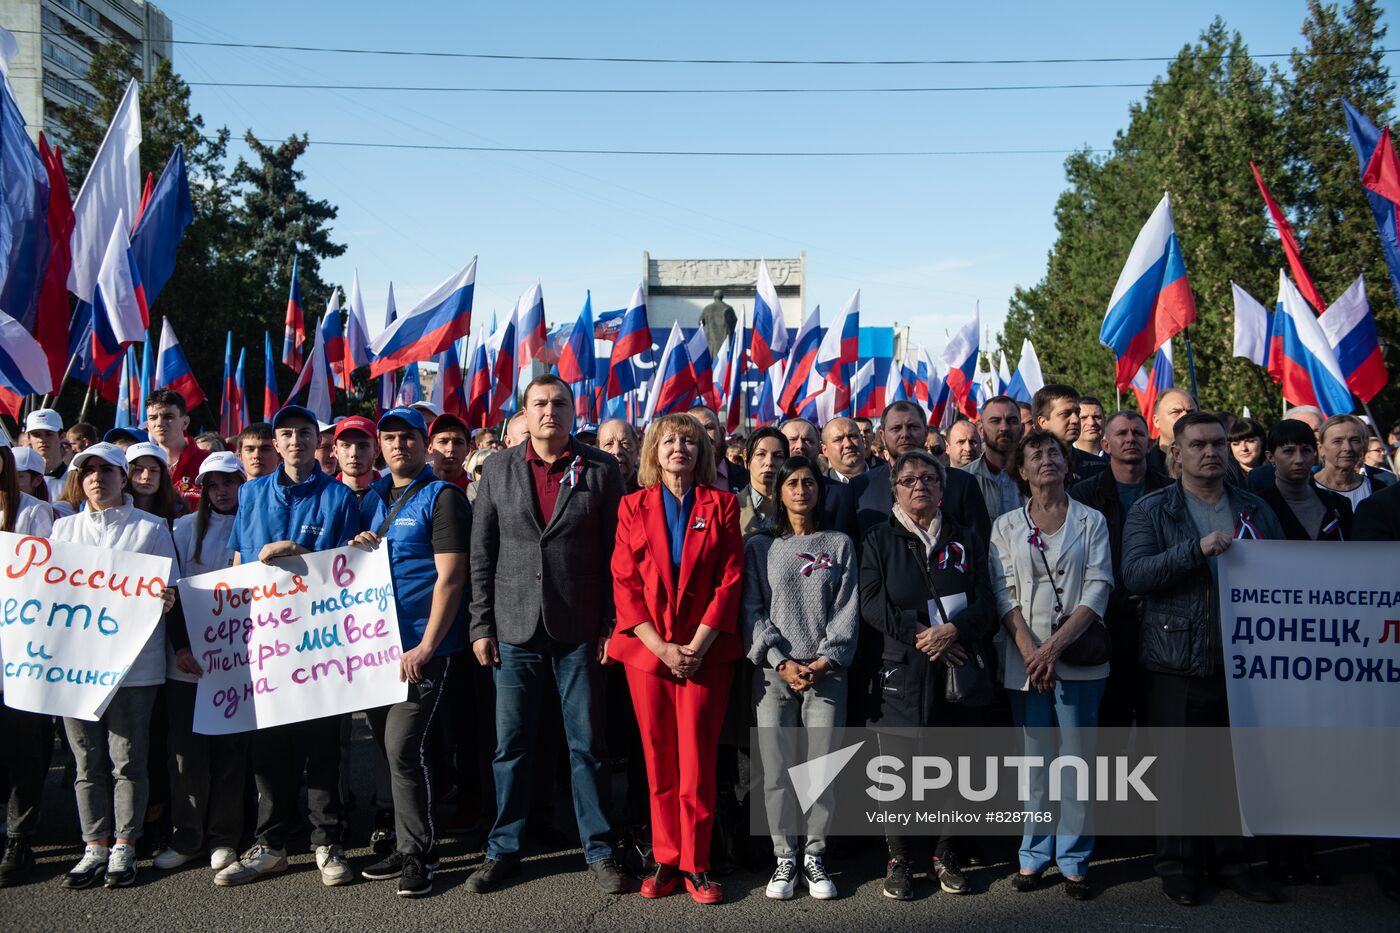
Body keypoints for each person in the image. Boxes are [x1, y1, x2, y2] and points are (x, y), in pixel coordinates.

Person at [466, 375, 628, 895]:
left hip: (580, 629)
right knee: (511, 746)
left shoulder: (600, 469)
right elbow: (481, 554)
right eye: (540, 404)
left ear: (573, 410)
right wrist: (481, 624)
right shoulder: (498, 468)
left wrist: (610, 624)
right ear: (526, 413)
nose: (550, 412)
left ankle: (599, 849)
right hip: (513, 630)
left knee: (588, 746)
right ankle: (503, 849)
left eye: (559, 403)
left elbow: (616, 557)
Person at [1122, 412, 1284, 907]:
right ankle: (1178, 866)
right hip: (1177, 658)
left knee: (1232, 768)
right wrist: (1195, 550)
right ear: (1176, 453)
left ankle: (1232, 862)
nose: (1211, 452)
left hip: (1242, 660)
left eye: (1218, 444)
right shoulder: (1153, 510)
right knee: (1179, 770)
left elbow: (1283, 570)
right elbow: (1136, 574)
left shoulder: (1254, 508)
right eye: (1198, 445)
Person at [216, 405, 362, 888]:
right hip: (267, 643)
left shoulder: (340, 496)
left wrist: (302, 558)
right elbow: (239, 559)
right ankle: (273, 843)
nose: (295, 440)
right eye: (286, 433)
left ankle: (327, 841)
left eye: (304, 432)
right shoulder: (252, 493)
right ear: (274, 444)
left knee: (322, 747)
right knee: (270, 749)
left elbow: (352, 572)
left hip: (321, 643)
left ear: (317, 441)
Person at [609, 413, 743, 904]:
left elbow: (730, 582)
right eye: (669, 440)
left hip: (705, 654)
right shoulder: (631, 506)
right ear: (654, 451)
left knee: (699, 762)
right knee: (658, 759)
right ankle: (666, 858)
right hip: (649, 655)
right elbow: (624, 584)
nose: (679, 448)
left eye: (689, 440)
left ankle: (697, 864)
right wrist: (661, 647)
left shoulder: (724, 505)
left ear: (702, 451)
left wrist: (696, 646)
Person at [860, 450, 996, 900]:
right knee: (897, 773)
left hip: (957, 666)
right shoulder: (879, 539)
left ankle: (946, 853)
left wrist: (955, 630)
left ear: (943, 487)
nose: (919, 486)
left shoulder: (967, 538)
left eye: (929, 479)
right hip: (903, 669)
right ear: (894, 488)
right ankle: (900, 859)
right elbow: (871, 601)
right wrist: (919, 634)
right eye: (909, 480)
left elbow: (989, 600)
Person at [351, 407, 471, 898]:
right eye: (389, 438)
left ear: (425, 444)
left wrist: (426, 645)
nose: (398, 445)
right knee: (387, 748)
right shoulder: (372, 497)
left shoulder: (443, 499)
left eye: (407, 437)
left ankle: (422, 854)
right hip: (376, 646)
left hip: (423, 647)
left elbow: (452, 577)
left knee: (404, 747)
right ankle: (407, 841)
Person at [51, 443, 181, 889]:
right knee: (87, 761)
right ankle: (94, 845)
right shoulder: (63, 530)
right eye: (88, 471)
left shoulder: (150, 527)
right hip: (74, 670)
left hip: (134, 668)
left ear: (124, 479)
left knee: (128, 759)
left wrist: (167, 598)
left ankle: (125, 843)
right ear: (79, 480)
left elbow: (170, 587)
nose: (97, 478)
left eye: (107, 470)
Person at [991, 430, 1112, 901]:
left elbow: (1100, 586)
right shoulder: (1006, 527)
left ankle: (1076, 858)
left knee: (1076, 762)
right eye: (1035, 453)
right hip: (1025, 664)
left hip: (1078, 659)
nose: (1046, 459)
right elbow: (1004, 594)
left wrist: (1054, 648)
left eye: (1055, 452)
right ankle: (1033, 854)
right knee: (1035, 763)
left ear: (1068, 463)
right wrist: (1031, 651)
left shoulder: (1092, 521)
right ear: (1021, 470)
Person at [742, 456, 858, 902]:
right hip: (774, 676)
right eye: (791, 482)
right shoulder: (759, 546)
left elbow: (846, 610)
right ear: (779, 491)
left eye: (809, 482)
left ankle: (815, 855)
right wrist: (780, 660)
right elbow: (751, 609)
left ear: (819, 490)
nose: (800, 490)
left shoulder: (840, 543)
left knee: (820, 770)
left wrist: (826, 661)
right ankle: (784, 858)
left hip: (826, 675)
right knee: (777, 771)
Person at [156, 452, 249, 877]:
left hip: (238, 662)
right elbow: (170, 596)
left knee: (229, 754)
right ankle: (187, 836)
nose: (221, 491)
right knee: (187, 756)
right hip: (188, 662)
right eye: (213, 485)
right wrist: (180, 647)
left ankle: (224, 839)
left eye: (229, 482)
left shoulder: (255, 527)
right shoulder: (180, 530)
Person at [1070, 411, 1169, 728]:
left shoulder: (1171, 492)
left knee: (1158, 718)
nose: (1130, 439)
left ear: (1149, 441)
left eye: (1138, 434)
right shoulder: (1083, 495)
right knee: (1111, 719)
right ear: (1105, 444)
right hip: (1106, 618)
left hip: (1160, 617)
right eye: (1122, 433)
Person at [0, 446, 56, 887]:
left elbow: (44, 579)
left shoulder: (35, 513)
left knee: (24, 745)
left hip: (23, 649)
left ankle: (20, 838)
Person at [853, 401, 990, 542]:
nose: (905, 434)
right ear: (882, 435)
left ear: (925, 432)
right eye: (896, 428)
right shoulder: (860, 487)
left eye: (912, 427)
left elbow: (978, 545)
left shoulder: (962, 483)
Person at [1255, 419, 1353, 542]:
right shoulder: (1257, 507)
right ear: (1271, 457)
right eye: (1288, 451)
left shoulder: (1338, 504)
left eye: (1306, 450)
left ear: (1315, 454)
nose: (1299, 460)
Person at [144, 389, 210, 514]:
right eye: (153, 418)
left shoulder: (207, 463)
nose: (159, 423)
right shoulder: (140, 465)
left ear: (185, 422)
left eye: (168, 417)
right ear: (148, 426)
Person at [965, 396, 1027, 520]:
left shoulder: (1038, 477)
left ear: (1022, 429)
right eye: (995, 421)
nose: (1004, 428)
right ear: (981, 430)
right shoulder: (964, 479)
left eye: (1012, 421)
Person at [1315, 414, 1395, 509]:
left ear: (1363, 446)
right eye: (1337, 441)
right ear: (1321, 448)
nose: (1347, 448)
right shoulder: (1306, 489)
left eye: (1354, 440)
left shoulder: (1379, 488)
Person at [1033, 384, 1104, 482]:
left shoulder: (1100, 468)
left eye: (1077, 412)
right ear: (1043, 422)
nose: (1075, 419)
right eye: (1065, 414)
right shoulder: (1026, 466)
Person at [739, 428, 789, 534]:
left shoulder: (797, 506)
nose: (769, 462)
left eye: (778, 456)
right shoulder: (732, 507)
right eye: (761, 454)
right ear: (746, 458)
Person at [124, 441, 183, 523]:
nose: (146, 476)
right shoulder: (113, 510)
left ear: (162, 476)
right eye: (139, 469)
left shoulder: (178, 512)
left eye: (154, 470)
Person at [1147, 389, 1199, 477]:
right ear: (1156, 421)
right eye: (1176, 412)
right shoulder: (1142, 466)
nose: (1185, 417)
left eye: (1191, 412)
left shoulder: (1213, 459)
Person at [689, 406, 738, 493]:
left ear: (722, 433)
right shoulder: (673, 480)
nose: (703, 434)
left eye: (708, 427)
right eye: (695, 429)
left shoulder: (747, 477)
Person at [332, 415, 380, 502]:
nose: (354, 453)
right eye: (346, 445)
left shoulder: (392, 495)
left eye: (363, 446)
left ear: (376, 451)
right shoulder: (321, 496)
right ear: (335, 451)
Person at [24, 408, 67, 500]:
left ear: (62, 436)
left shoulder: (75, 478)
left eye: (48, 434)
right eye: (36, 435)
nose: (42, 440)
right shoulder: (20, 479)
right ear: (28, 438)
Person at [428, 413, 472, 492]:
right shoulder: (414, 488)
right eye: (443, 442)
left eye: (458, 442)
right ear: (430, 447)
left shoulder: (477, 494)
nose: (451, 449)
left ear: (468, 449)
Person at [820, 417, 869, 482]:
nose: (848, 444)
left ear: (862, 440)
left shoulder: (885, 478)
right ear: (825, 450)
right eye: (838, 439)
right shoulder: (820, 488)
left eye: (852, 436)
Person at [598, 418, 640, 493]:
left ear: (637, 450)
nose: (617, 451)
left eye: (625, 443)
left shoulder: (653, 491)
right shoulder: (588, 494)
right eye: (609, 444)